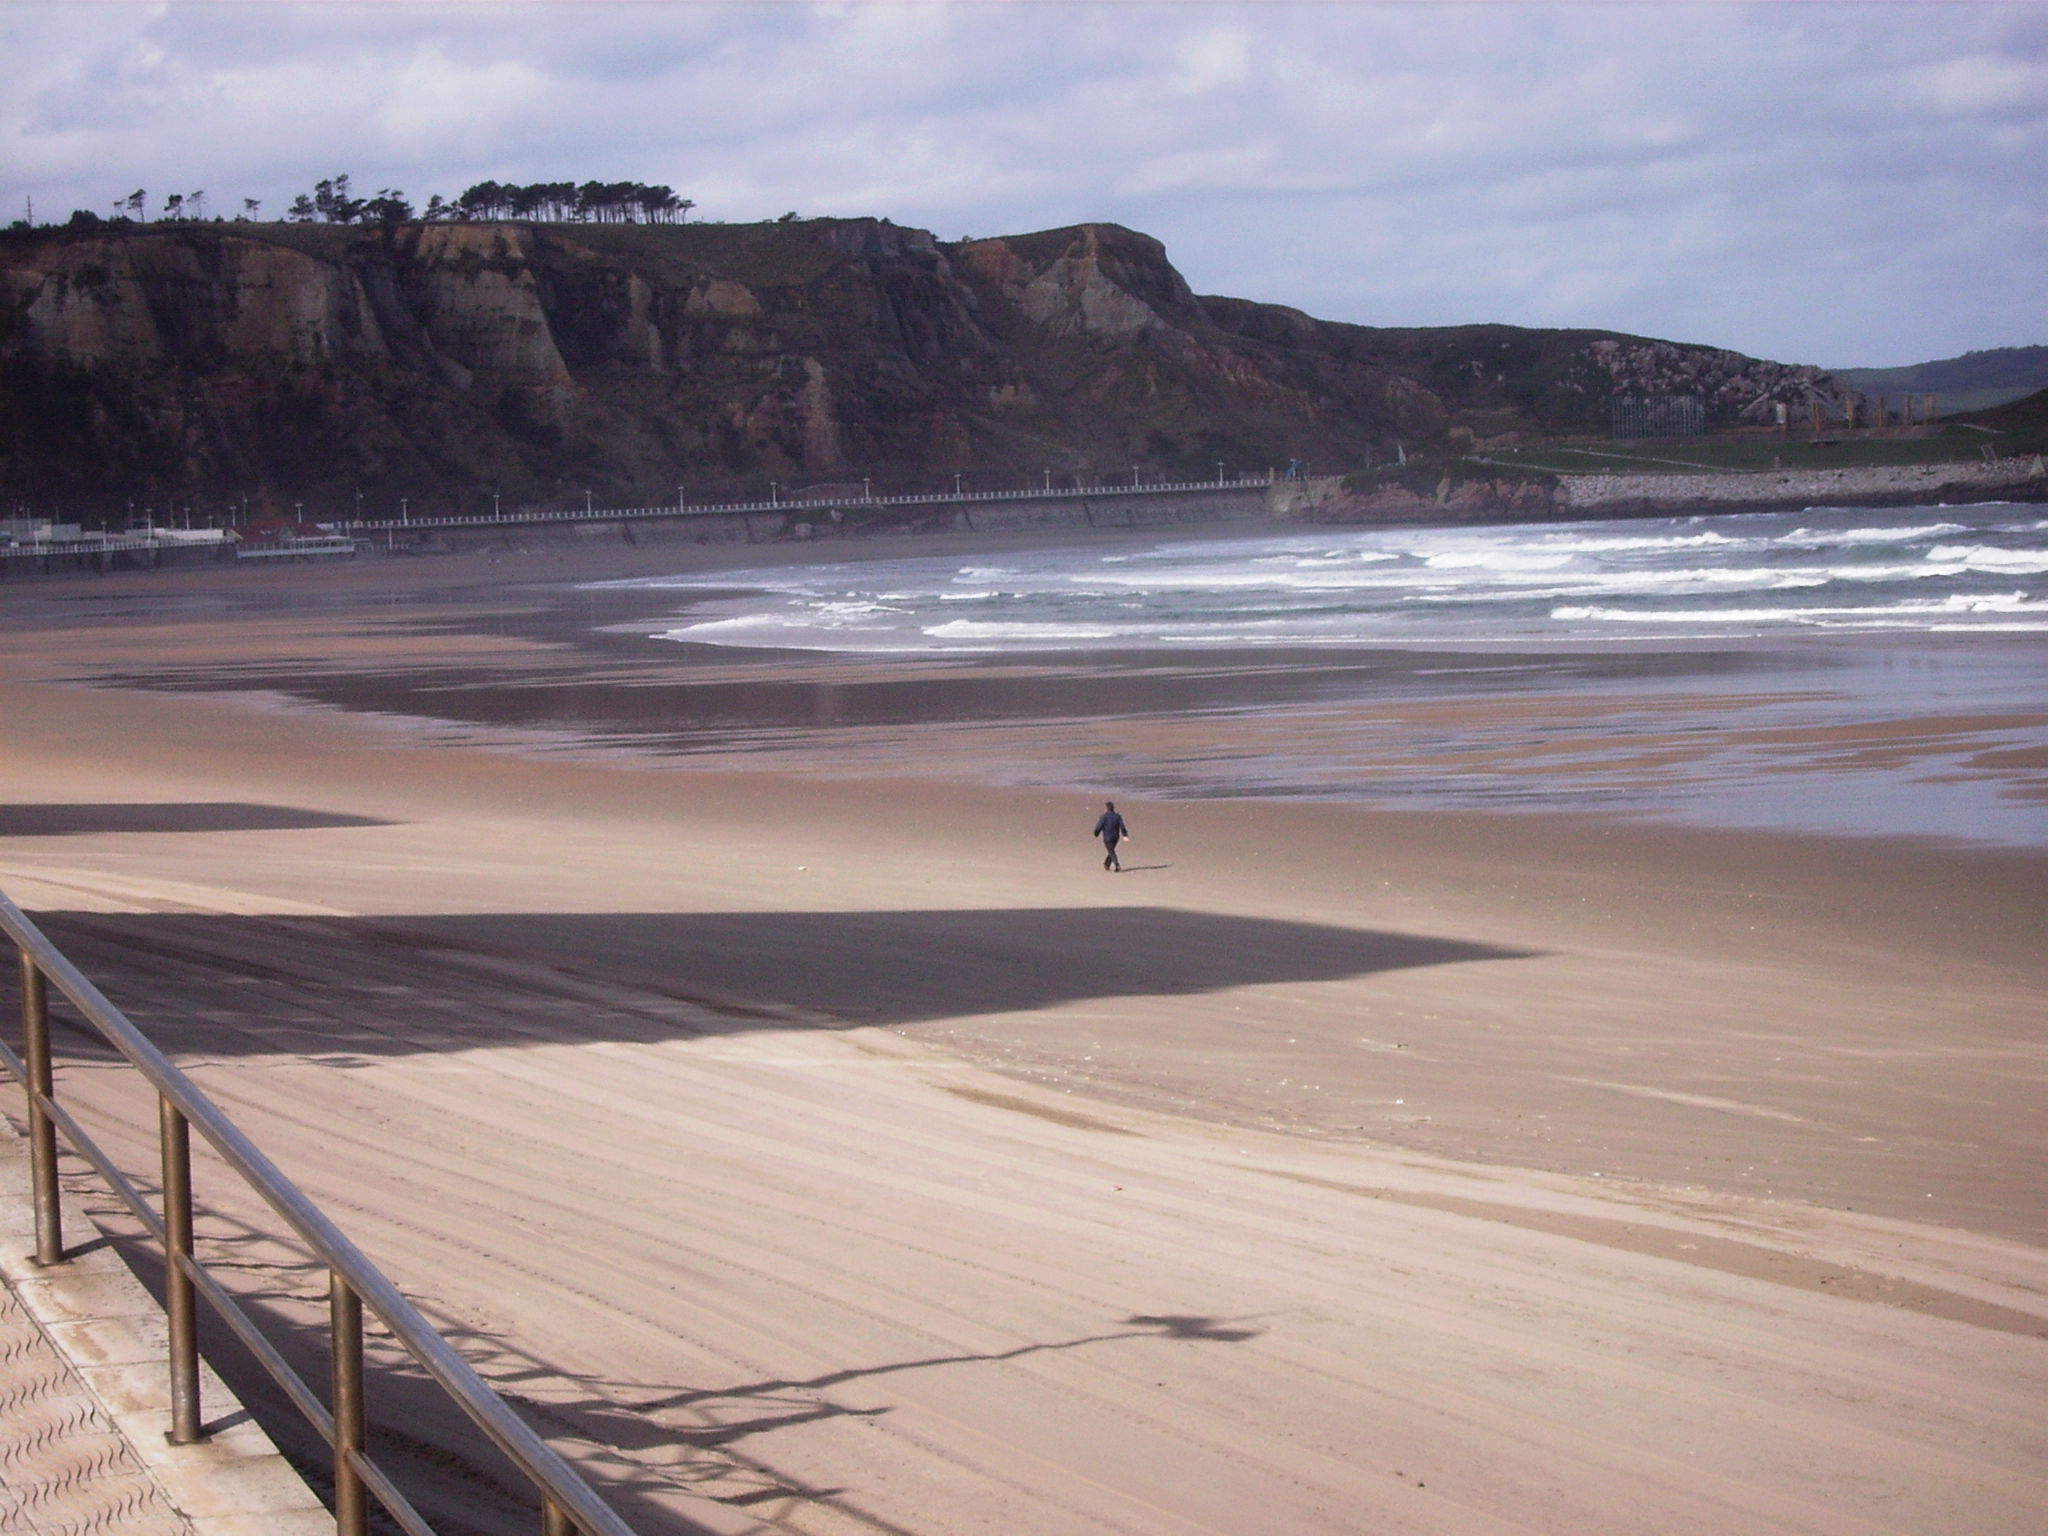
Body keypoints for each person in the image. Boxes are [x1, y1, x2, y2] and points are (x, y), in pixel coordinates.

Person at [1092, 800, 1129, 872]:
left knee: (1111, 851)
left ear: (1106, 808)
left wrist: (1096, 833)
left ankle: (1117, 865)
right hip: (1115, 837)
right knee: (1111, 851)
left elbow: (1099, 826)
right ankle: (1107, 864)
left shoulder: (1104, 816)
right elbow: (1122, 826)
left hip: (1107, 837)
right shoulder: (1117, 816)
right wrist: (1125, 835)